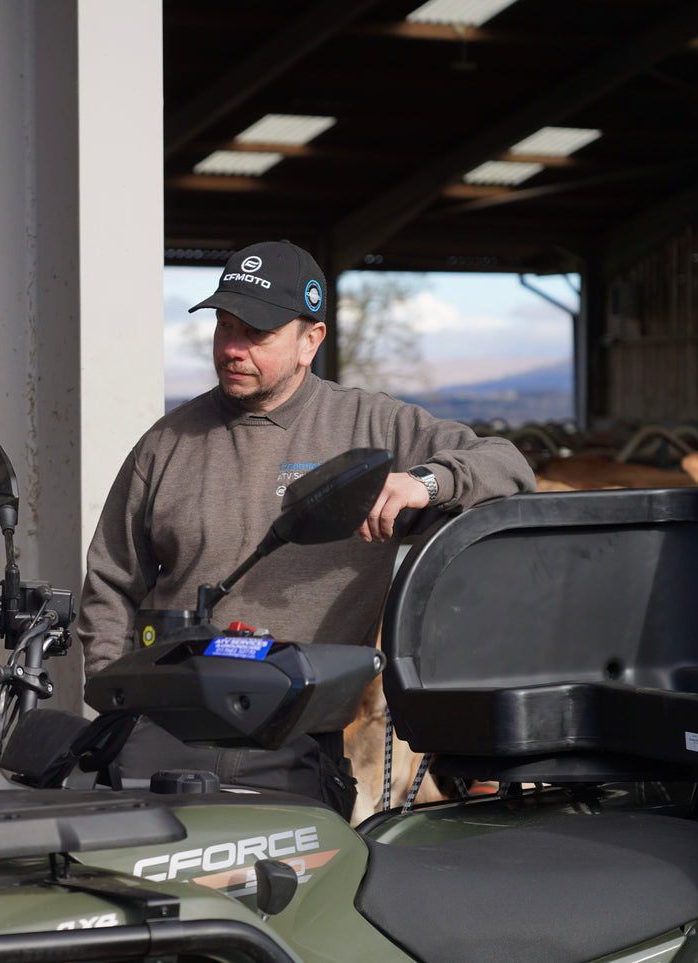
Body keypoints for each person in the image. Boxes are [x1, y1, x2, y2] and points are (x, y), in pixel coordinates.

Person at [78, 239, 535, 816]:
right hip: (165, 737)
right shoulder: (167, 443)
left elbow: (509, 466)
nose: (232, 348)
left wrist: (426, 481)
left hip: (298, 742)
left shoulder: (372, 425)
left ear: (310, 341)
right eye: (224, 326)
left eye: (257, 333)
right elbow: (111, 582)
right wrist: (119, 704)